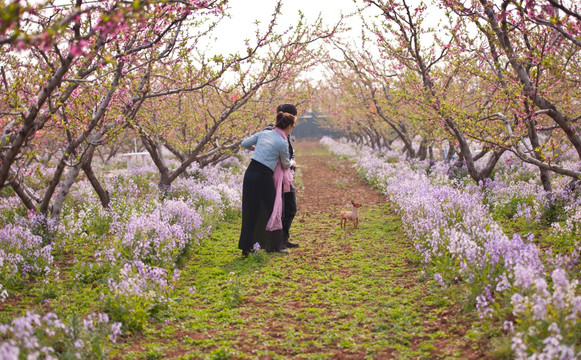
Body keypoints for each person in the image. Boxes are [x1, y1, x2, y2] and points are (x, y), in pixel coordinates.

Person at [238, 112, 296, 256]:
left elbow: (244, 144)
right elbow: (285, 163)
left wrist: (258, 149)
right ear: (288, 126)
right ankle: (275, 246)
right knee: (273, 210)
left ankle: (246, 248)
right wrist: (293, 162)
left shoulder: (263, 134)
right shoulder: (282, 142)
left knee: (250, 211)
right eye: (292, 127)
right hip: (264, 176)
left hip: (250, 173)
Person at [276, 104, 299, 249]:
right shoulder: (273, 132)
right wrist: (291, 162)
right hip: (279, 177)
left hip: (286, 177)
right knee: (287, 209)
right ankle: (279, 240)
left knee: (287, 209)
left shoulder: (286, 133)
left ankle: (283, 238)